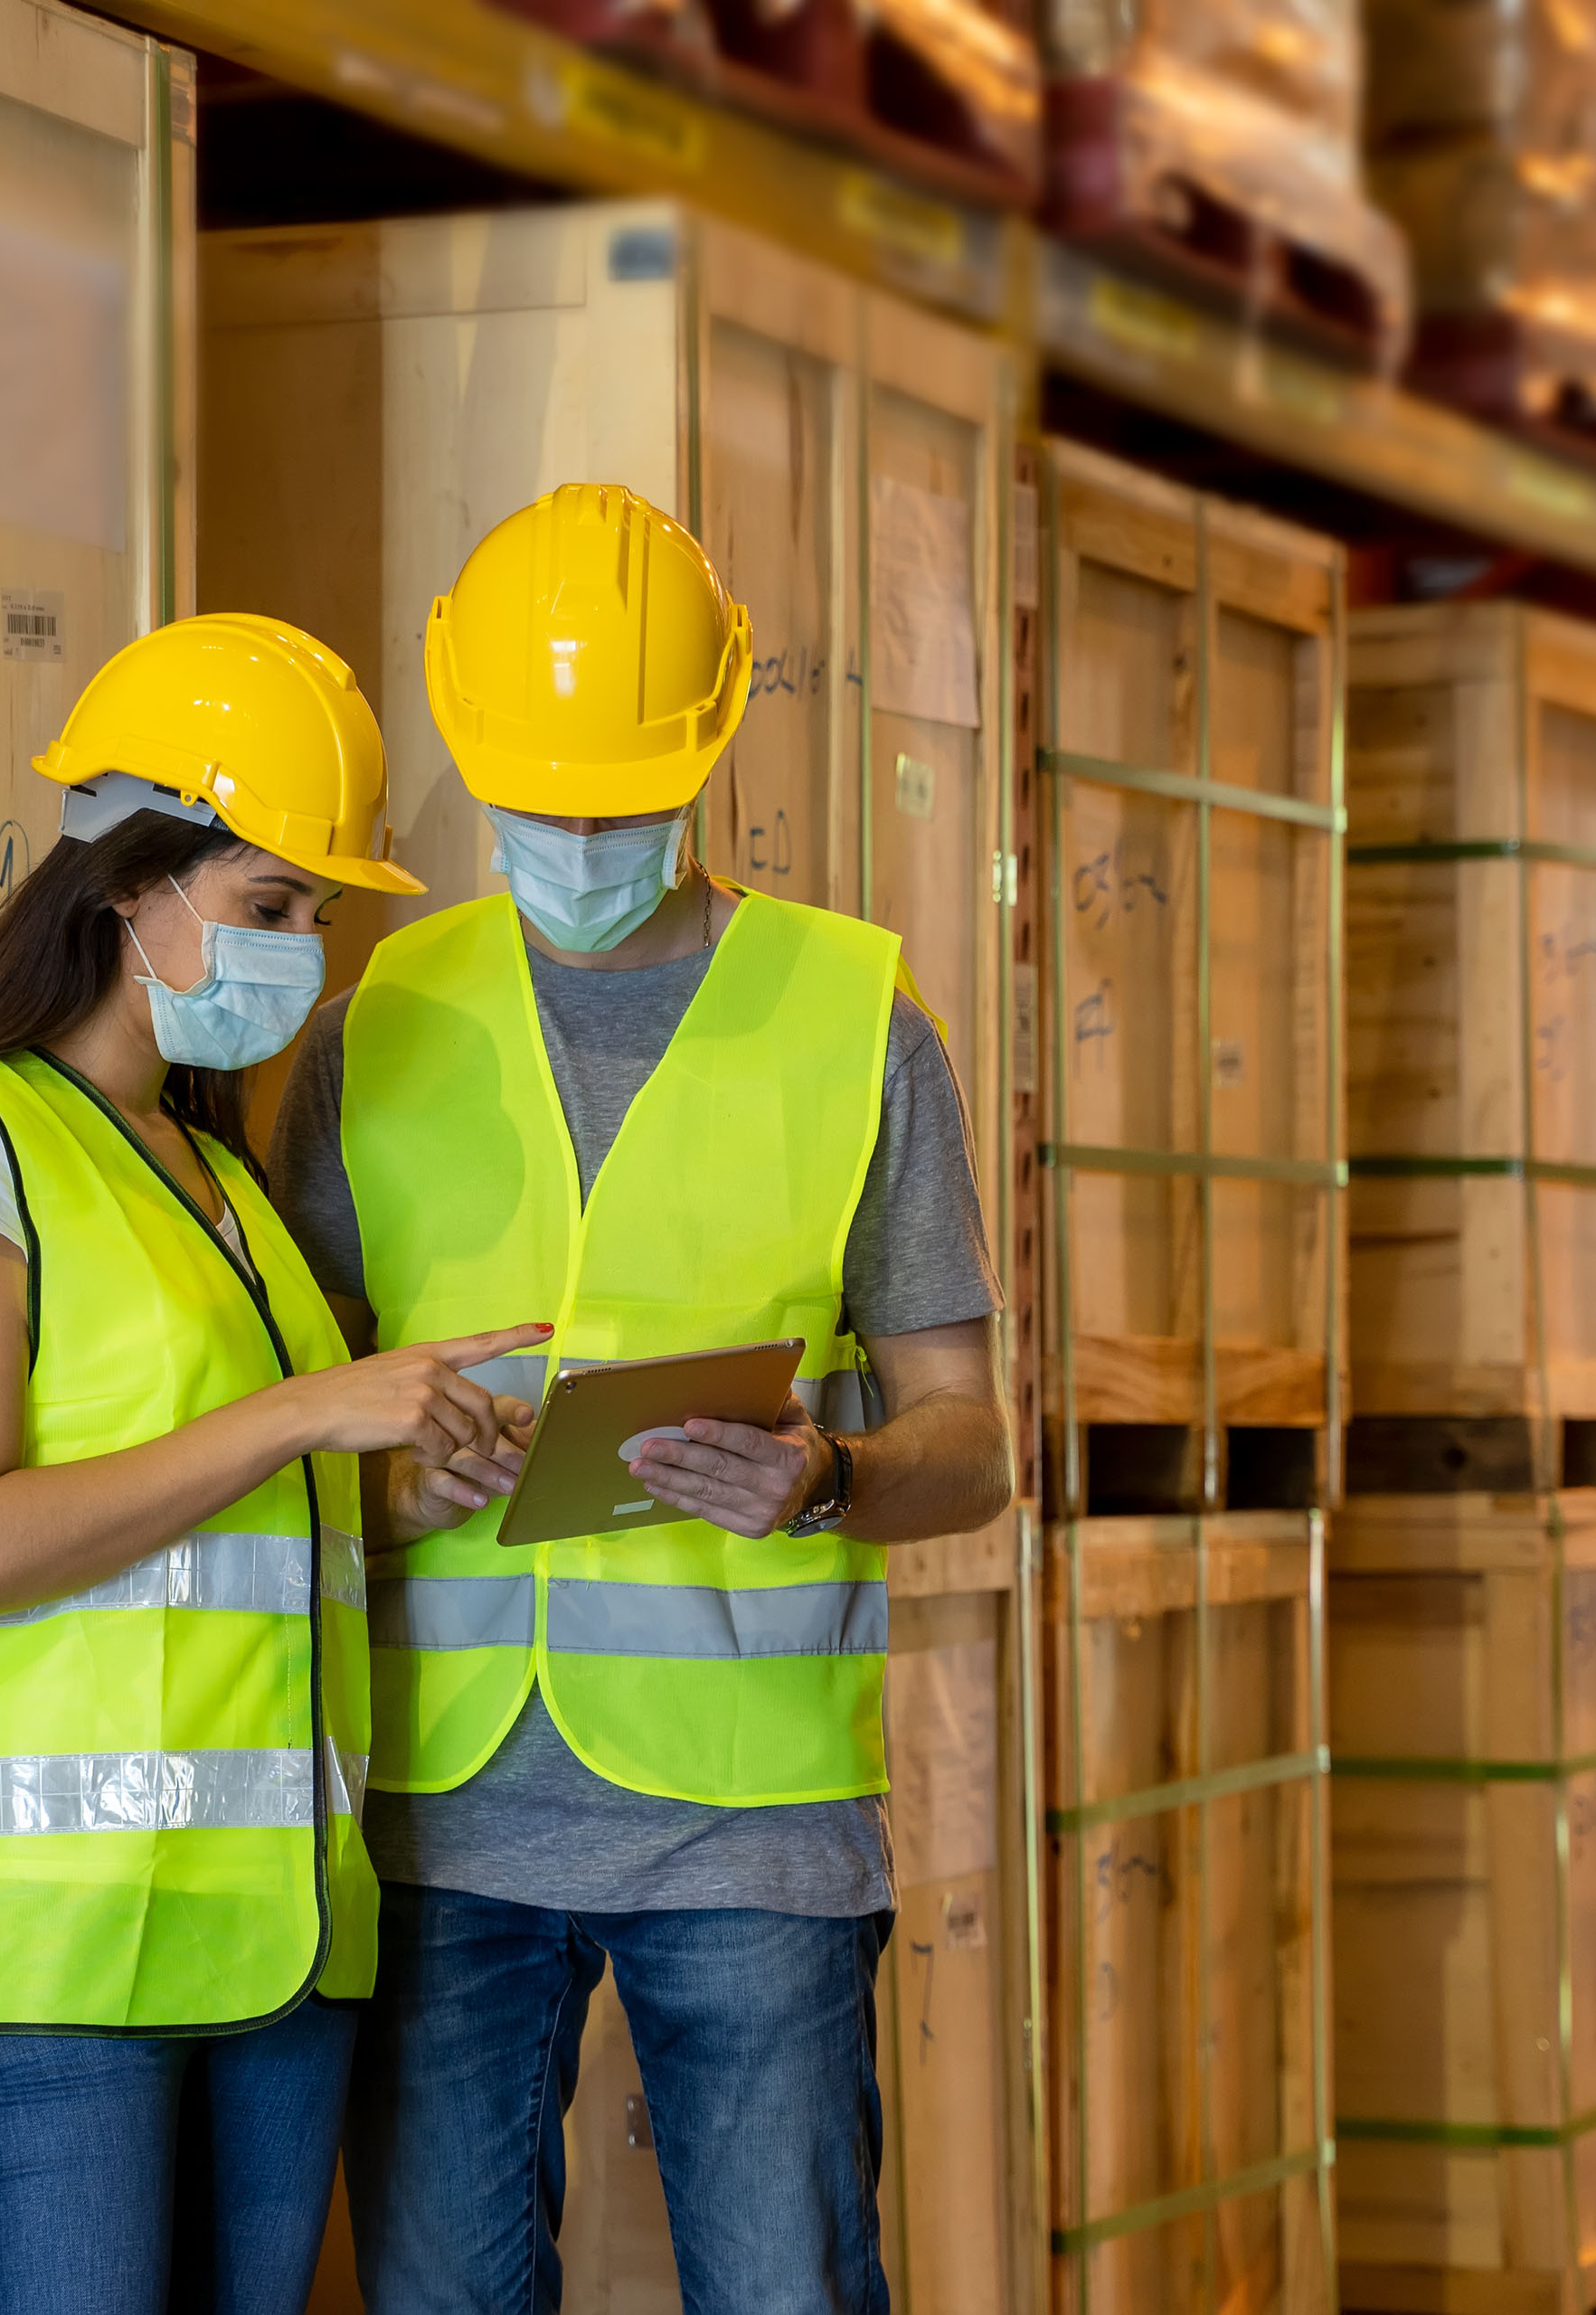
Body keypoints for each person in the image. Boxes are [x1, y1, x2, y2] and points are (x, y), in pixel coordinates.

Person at [266, 487, 1013, 2314]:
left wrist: (829, 1475)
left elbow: (976, 1437)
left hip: (750, 1828)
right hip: (445, 1812)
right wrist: (390, 1487)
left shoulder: (856, 1017)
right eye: (539, 795)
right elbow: (285, 1432)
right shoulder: (377, 1021)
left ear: (712, 742)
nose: (579, 836)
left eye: (616, 798)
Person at [0, 612, 549, 2315]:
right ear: (131, 890)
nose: (301, 953)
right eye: (268, 908)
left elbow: (223, 1522)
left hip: (276, 1941)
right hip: (54, 1965)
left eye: (317, 916)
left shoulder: (216, 1186)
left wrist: (395, 1481)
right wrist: (301, 1416)